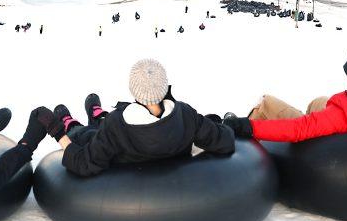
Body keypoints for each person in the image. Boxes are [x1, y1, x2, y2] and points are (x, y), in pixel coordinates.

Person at [32, 58, 234, 177]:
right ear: (164, 87)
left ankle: (71, 125)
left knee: (86, 136)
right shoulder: (186, 115)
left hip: (119, 157)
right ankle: (97, 117)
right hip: (160, 153)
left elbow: (85, 163)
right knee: (100, 129)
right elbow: (224, 140)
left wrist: (57, 132)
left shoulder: (118, 126)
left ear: (134, 91)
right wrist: (217, 123)